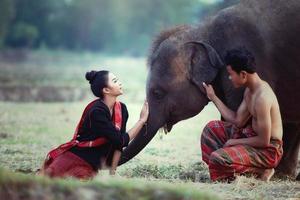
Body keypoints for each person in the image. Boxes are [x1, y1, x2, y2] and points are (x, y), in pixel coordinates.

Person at [39, 70, 149, 179]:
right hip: (75, 158)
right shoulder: (96, 112)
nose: (120, 83)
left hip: (91, 166)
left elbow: (118, 145)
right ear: (106, 90)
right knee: (47, 179)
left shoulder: (122, 109)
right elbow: (120, 140)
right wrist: (141, 120)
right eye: (115, 81)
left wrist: (112, 173)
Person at [201, 47, 283, 182]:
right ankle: (225, 165)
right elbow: (237, 120)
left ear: (243, 74)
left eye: (231, 73)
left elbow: (264, 141)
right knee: (211, 129)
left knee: (218, 158)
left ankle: (262, 170)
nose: (229, 77)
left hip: (267, 150)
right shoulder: (250, 91)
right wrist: (213, 97)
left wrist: (234, 142)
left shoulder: (262, 98)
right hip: (251, 138)